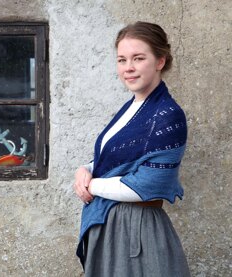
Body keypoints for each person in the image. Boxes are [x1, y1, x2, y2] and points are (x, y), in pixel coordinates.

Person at [72, 22, 191, 277]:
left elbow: (149, 183)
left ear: (160, 61)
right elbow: (115, 157)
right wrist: (86, 169)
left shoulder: (167, 115)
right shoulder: (131, 108)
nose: (128, 68)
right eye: (122, 60)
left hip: (139, 232)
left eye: (138, 58)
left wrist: (91, 185)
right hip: (110, 226)